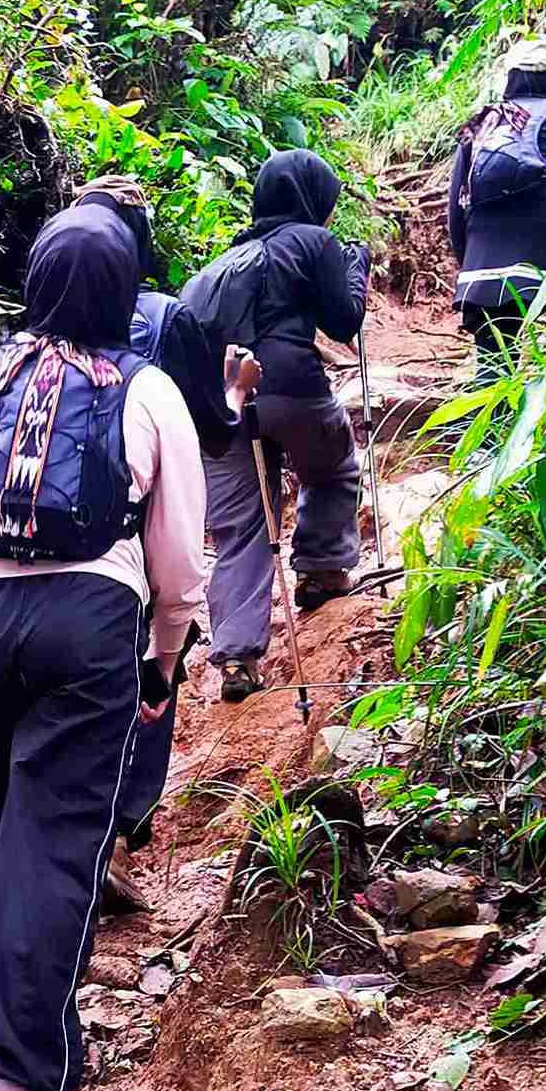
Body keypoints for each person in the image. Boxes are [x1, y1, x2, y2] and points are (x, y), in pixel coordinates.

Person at [0, 209, 209, 1091]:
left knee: (10, 828)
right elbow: (181, 555)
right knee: (54, 845)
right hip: (85, 625)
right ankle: (17, 1085)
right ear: (129, 289)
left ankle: (22, 1053)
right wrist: (164, 654)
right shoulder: (148, 390)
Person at [65, 177, 236, 906]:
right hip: (128, 553)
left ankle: (47, 856)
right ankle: (110, 840)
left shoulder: (25, 340)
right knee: (147, 693)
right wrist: (237, 390)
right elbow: (213, 431)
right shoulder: (166, 320)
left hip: (25, 552)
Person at [180, 149, 370, 702]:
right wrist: (354, 269)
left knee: (240, 527)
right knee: (331, 467)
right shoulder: (315, 241)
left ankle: (237, 656)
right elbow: (343, 321)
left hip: (228, 399)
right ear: (311, 198)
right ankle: (322, 567)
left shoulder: (232, 258)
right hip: (294, 388)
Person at [449, 40, 546, 340]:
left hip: (485, 264)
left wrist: (469, 266)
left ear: (511, 77)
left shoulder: (481, 123)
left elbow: (456, 209)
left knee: (494, 368)